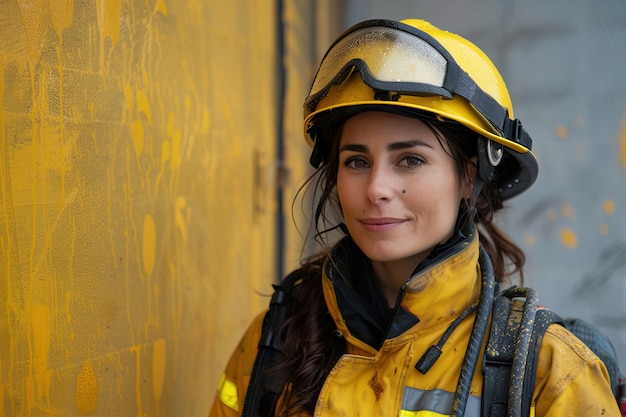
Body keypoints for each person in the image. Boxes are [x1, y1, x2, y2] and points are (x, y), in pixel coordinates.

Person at [210, 18, 621, 417]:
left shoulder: (552, 372)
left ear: (469, 177)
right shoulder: (277, 337)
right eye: (356, 161)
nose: (376, 188)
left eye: (409, 159)